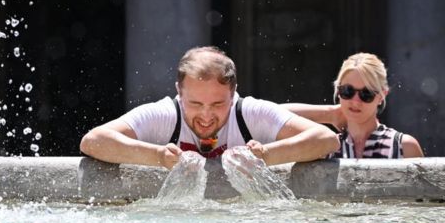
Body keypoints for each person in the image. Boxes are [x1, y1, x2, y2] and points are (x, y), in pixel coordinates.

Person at [80, 46, 340, 170]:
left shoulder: (249, 112)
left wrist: (266, 155)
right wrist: (158, 156)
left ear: (233, 93)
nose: (206, 115)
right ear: (179, 93)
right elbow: (93, 141)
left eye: (217, 104)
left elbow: (326, 140)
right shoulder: (165, 113)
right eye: (195, 104)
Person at [283, 52, 424, 158]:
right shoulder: (325, 146)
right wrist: (330, 113)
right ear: (338, 91)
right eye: (347, 91)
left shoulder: (404, 146)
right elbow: (268, 116)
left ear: (382, 96)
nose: (355, 101)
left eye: (366, 94)